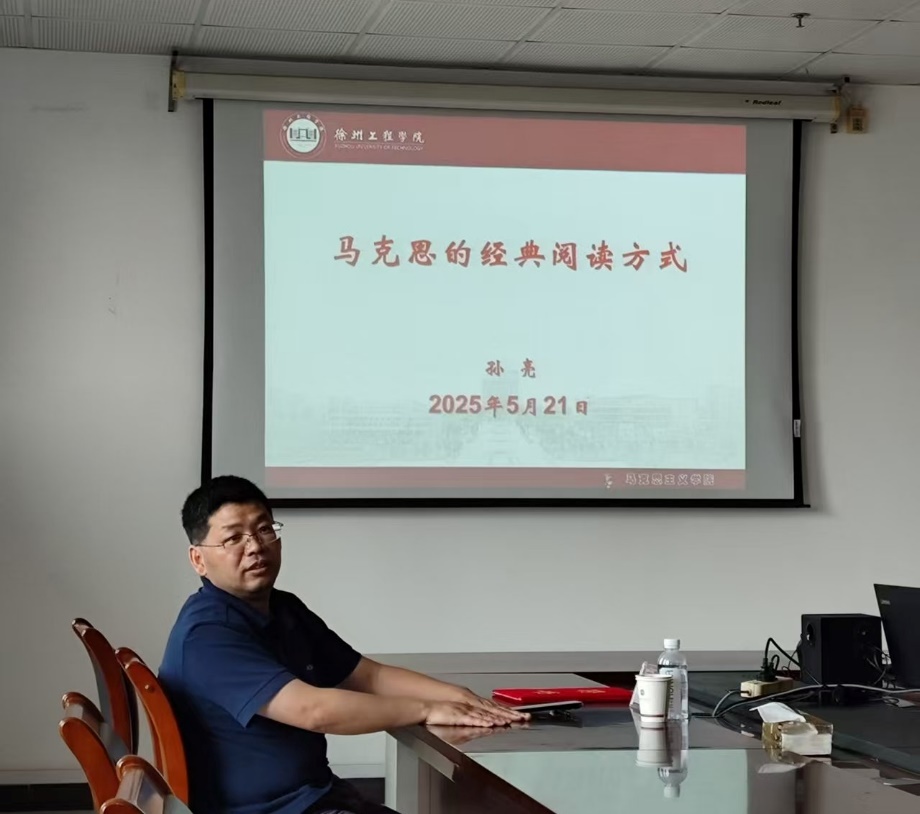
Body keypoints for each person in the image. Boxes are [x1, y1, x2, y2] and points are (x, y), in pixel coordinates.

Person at [158, 475, 527, 814]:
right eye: (233, 538)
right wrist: (428, 709)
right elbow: (314, 710)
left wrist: (459, 697)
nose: (255, 546)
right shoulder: (206, 635)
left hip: (317, 798)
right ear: (198, 559)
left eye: (264, 529)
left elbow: (368, 675)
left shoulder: (283, 608)